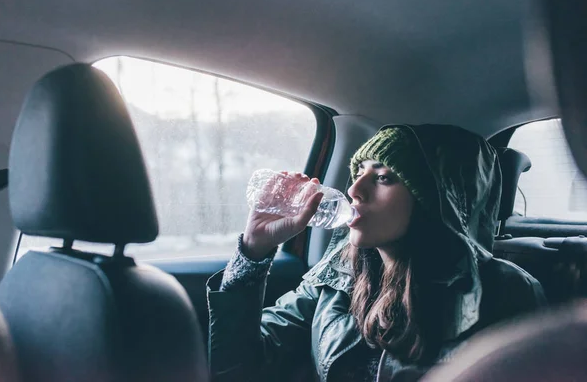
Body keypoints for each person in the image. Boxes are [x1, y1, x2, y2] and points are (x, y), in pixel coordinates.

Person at [207, 124, 546, 382]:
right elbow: (237, 370)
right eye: (359, 173)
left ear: (437, 200)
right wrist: (254, 251)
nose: (354, 189)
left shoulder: (504, 290)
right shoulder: (336, 277)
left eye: (383, 178)